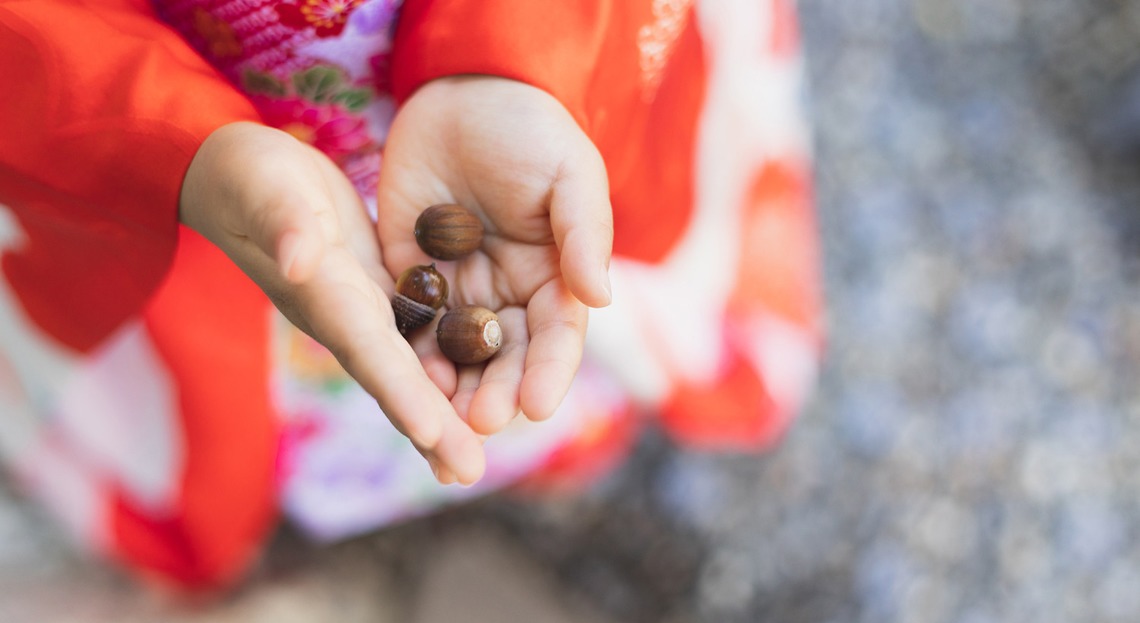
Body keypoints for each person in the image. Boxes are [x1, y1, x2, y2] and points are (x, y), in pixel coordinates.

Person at [0, 0, 823, 588]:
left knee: (562, 263)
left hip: (540, 69)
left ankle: (567, 427)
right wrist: (175, 141)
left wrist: (514, 53)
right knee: (294, 317)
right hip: (186, 134)